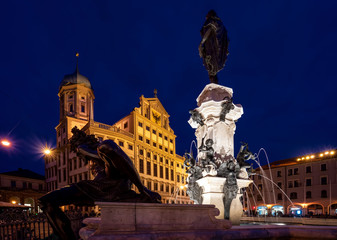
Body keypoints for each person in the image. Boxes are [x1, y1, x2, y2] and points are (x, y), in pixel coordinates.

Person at [39, 127, 161, 240]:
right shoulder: (99, 161)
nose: (81, 157)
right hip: (97, 189)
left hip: (101, 188)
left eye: (79, 153)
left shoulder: (103, 148)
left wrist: (143, 189)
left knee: (46, 200)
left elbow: (127, 163)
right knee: (45, 201)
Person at [199, 10, 229, 84]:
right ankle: (214, 84)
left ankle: (214, 84)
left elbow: (208, 31)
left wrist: (201, 43)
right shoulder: (219, 24)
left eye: (207, 16)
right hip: (212, 46)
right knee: (211, 67)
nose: (205, 17)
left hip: (212, 46)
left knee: (211, 65)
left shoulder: (212, 21)